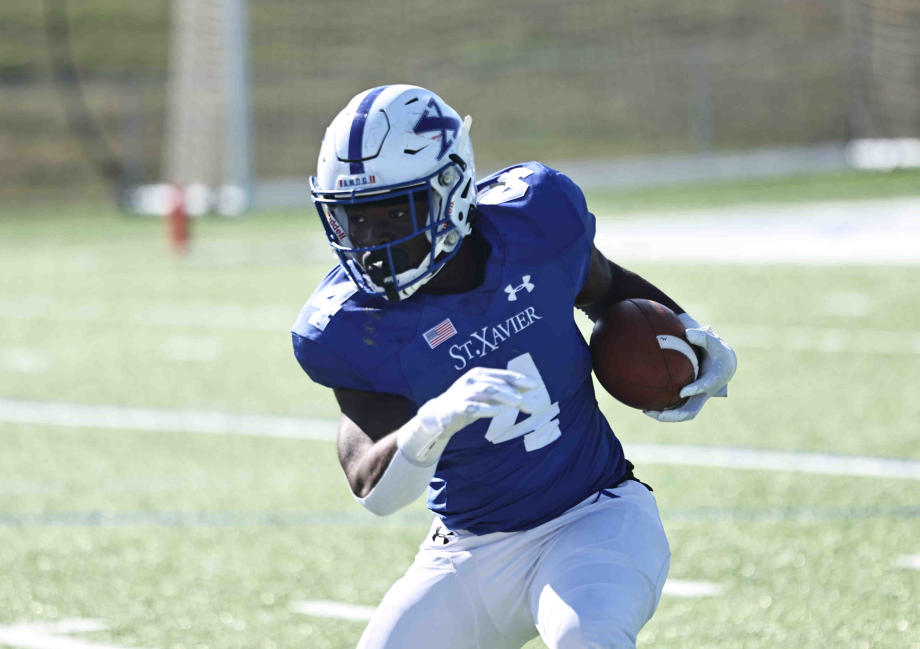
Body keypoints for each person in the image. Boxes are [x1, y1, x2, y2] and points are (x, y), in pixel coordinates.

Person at [291, 85, 737, 649]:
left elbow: (606, 286)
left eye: (392, 214)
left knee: (587, 638)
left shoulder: (534, 224)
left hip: (594, 519)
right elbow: (374, 492)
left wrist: (688, 331)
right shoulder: (353, 326)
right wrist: (433, 422)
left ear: (451, 190)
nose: (371, 243)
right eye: (353, 219)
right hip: (467, 551)